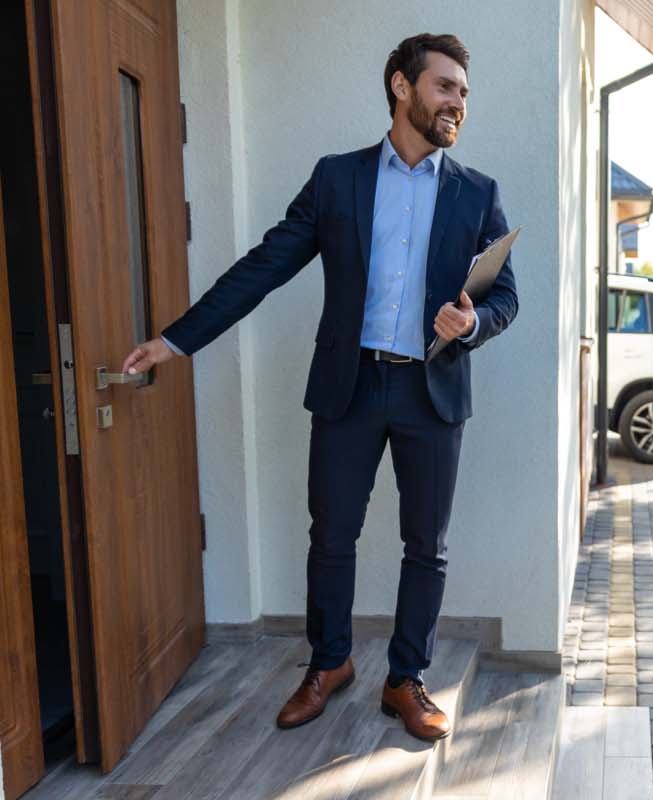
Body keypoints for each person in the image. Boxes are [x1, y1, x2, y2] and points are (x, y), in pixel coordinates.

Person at [119, 33, 518, 742]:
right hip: (350, 387)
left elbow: (505, 297)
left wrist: (474, 322)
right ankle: (329, 664)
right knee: (331, 537)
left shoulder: (477, 193)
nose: (458, 101)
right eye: (445, 86)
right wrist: (174, 340)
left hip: (434, 392)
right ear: (402, 86)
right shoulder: (338, 180)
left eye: (463, 91)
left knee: (427, 546)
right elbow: (265, 264)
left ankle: (406, 679)